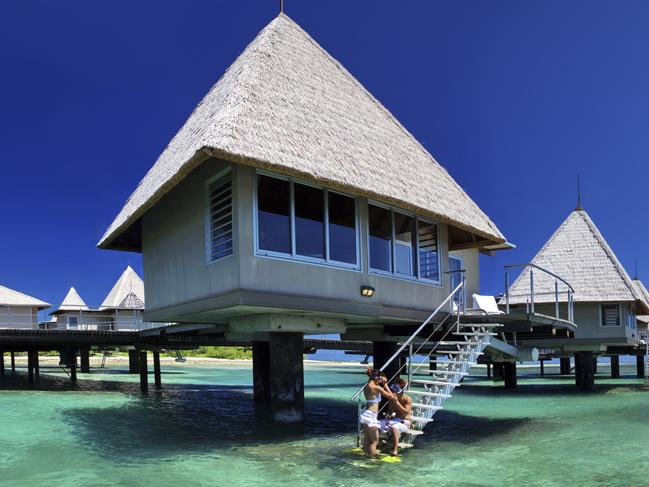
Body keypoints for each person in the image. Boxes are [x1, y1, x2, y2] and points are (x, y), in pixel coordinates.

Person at [360, 368, 394, 458]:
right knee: (374, 441)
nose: (381, 379)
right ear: (376, 378)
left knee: (367, 440)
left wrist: (379, 381)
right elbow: (391, 396)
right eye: (380, 378)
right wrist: (385, 384)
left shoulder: (367, 386)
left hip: (366, 413)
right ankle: (372, 460)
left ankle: (365, 458)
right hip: (371, 415)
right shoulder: (376, 387)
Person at [381, 378, 413, 456]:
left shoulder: (407, 399)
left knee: (395, 427)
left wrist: (397, 403)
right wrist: (388, 414)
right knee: (379, 424)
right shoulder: (392, 399)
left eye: (395, 391)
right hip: (395, 419)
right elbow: (390, 411)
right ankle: (381, 442)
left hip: (405, 421)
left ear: (400, 391)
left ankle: (395, 450)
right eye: (393, 391)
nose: (393, 392)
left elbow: (406, 412)